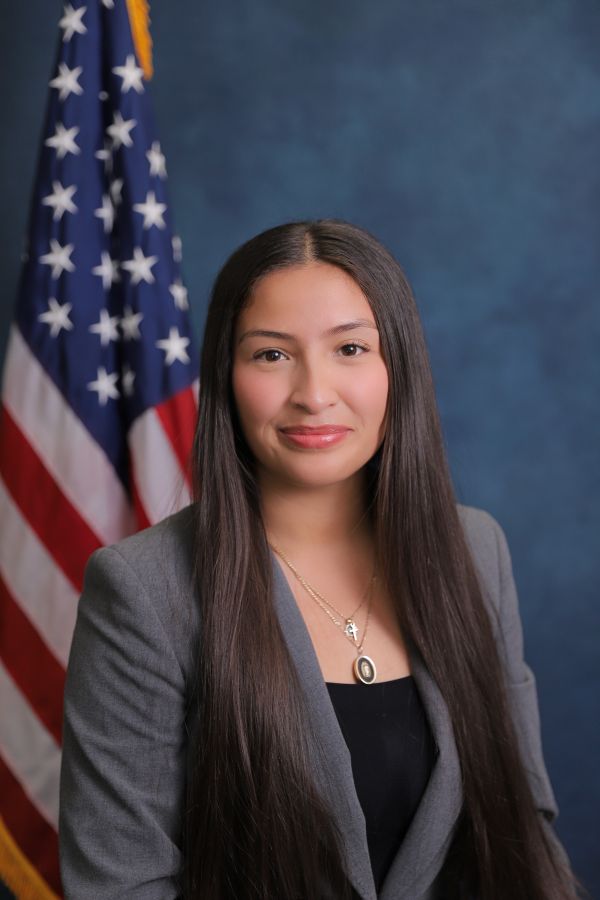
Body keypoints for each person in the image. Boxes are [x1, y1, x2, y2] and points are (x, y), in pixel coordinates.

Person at [59, 220, 582, 899]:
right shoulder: (143, 589)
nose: (313, 392)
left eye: (351, 348)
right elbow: (122, 884)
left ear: (398, 368)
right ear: (226, 376)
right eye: (272, 355)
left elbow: (525, 828)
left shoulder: (477, 550)